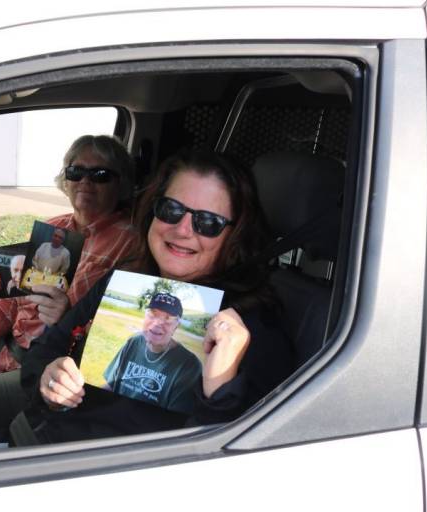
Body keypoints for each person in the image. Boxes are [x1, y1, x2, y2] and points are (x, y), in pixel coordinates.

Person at [18, 150, 297, 444]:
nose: (182, 230)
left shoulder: (251, 329)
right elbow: (44, 352)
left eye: (208, 222)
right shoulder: (121, 282)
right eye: (171, 210)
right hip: (46, 438)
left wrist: (220, 386)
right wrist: (48, 380)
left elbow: (234, 454)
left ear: (234, 236)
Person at [0, 135, 138, 440]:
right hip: (10, 349)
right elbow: (11, 303)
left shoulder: (131, 242)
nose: (85, 181)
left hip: (51, 372)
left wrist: (68, 316)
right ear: (66, 179)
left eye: (100, 175)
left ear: (121, 184)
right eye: (76, 172)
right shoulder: (53, 230)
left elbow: (119, 340)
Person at [102, 292, 201, 414]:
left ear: (177, 325)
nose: (157, 323)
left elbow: (175, 423)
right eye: (152, 314)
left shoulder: (189, 366)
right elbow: (111, 385)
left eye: (168, 318)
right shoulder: (133, 342)